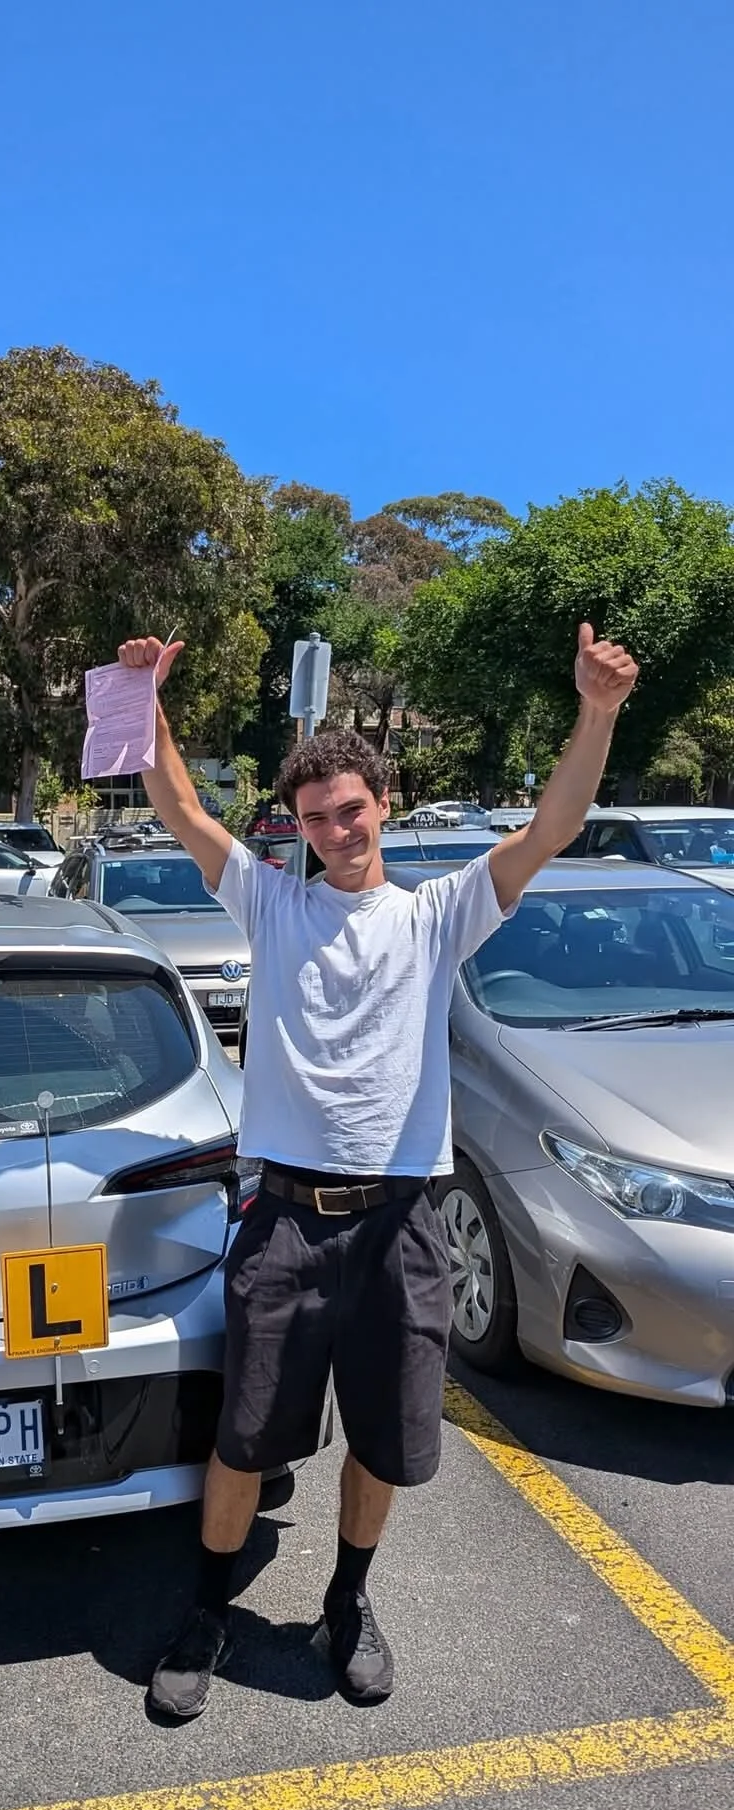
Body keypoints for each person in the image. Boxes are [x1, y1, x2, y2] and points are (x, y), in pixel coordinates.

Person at [115, 621, 639, 1721]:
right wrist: (145, 699)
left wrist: (596, 712)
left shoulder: (437, 915)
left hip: (402, 1223)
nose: (336, 831)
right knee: (246, 1440)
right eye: (314, 819)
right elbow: (180, 808)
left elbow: (552, 826)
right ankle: (208, 1606)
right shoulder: (272, 901)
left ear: (382, 805)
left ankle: (346, 1605)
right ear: (297, 831)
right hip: (286, 1223)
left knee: (389, 1445)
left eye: (350, 810)